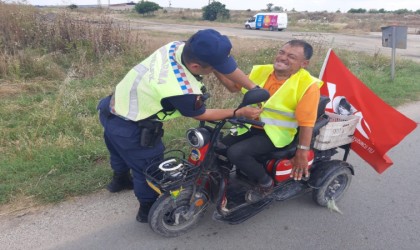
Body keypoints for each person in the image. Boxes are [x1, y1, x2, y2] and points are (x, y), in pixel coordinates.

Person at [97, 29, 262, 223]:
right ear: (195, 65)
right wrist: (237, 112)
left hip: (112, 108)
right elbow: (201, 114)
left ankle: (119, 181)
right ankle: (147, 209)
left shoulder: (177, 46)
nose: (218, 70)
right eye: (214, 68)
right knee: (149, 170)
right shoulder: (181, 89)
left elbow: (225, 68)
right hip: (132, 128)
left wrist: (254, 88)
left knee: (118, 151)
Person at [221, 40, 323, 202]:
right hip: (249, 126)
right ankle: (221, 179)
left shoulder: (307, 85)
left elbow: (307, 123)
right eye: (281, 52)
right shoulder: (262, 71)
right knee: (219, 147)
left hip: (276, 134)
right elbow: (234, 87)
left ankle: (266, 183)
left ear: (304, 63)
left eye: (291, 56)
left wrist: (302, 152)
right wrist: (214, 67)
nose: (282, 58)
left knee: (236, 152)